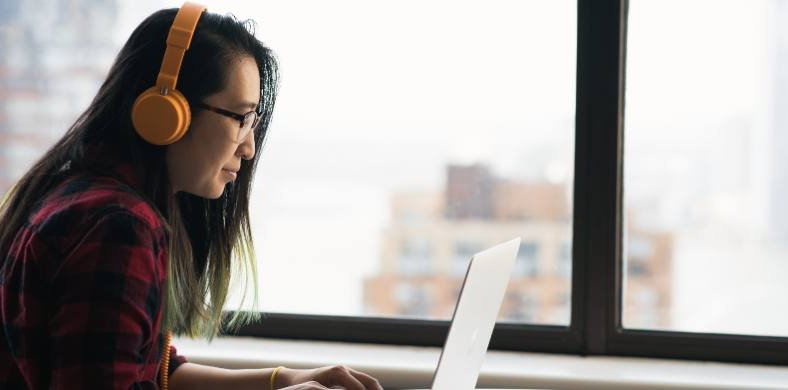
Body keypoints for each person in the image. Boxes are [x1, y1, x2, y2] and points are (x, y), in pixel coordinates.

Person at [0, 3, 383, 389]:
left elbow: (155, 371)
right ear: (166, 111)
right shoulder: (117, 226)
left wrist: (281, 380)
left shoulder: (82, 193)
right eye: (240, 118)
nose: (248, 147)